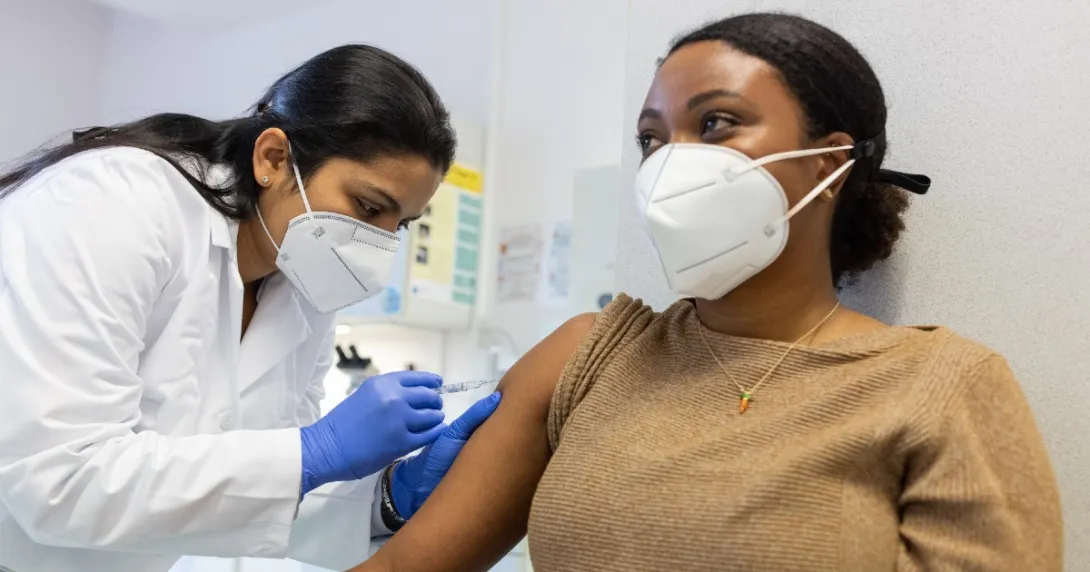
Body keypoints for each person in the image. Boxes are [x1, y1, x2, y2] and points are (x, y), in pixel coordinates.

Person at [348, 13, 1064, 572]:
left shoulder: (939, 385)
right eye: (652, 140)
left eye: (715, 123)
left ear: (830, 162)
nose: (670, 163)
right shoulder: (586, 358)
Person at [0, 45, 499, 572]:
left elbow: (255, 493)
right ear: (273, 159)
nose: (377, 244)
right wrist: (314, 451)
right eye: (367, 207)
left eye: (398, 225)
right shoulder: (113, 203)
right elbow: (55, 481)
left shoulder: (305, 288)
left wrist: (388, 498)